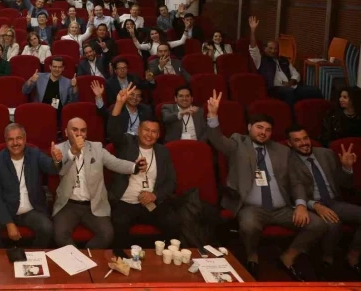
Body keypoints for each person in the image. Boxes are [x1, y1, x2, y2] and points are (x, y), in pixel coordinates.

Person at [205, 90, 326, 281]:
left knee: (318, 224)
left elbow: (296, 181)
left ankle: (288, 256)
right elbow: (217, 140)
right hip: (252, 207)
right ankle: (252, 256)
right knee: (249, 225)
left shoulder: (282, 151)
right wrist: (213, 115)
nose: (263, 132)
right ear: (249, 127)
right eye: (259, 127)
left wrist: (301, 205)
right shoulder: (239, 143)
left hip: (282, 208)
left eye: (268, 129)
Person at [53, 117, 144, 248]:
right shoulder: (58, 149)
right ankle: (76, 257)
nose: (79, 134)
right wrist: (73, 151)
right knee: (60, 235)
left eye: (83, 130)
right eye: (75, 130)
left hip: (93, 204)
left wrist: (135, 167)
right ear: (66, 132)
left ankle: (87, 256)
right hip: (68, 205)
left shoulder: (97, 147)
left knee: (107, 234)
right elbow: (61, 170)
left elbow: (115, 163)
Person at [106, 90, 178, 256]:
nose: (149, 135)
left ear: (158, 135)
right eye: (146, 130)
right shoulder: (127, 143)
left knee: (173, 223)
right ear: (138, 130)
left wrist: (155, 195)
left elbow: (171, 182)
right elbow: (113, 132)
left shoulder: (163, 152)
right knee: (119, 227)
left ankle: (164, 260)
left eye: (154, 132)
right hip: (125, 202)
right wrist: (119, 104)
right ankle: (122, 262)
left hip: (151, 202)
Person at [286, 125, 361, 277]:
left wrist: (347, 168)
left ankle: (353, 254)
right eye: (297, 140)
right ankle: (327, 259)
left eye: (305, 138)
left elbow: (345, 184)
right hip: (310, 204)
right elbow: (291, 192)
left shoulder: (326, 154)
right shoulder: (287, 161)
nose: (304, 143)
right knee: (334, 224)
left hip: (334, 201)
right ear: (290, 143)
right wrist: (315, 205)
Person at [0, 123, 62, 247]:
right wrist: (8, 223)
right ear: (6, 141)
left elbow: (52, 169)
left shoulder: (35, 154)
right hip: (6, 209)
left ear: (24, 139)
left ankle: (34, 256)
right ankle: (0, 256)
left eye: (18, 138)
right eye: (10, 139)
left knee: (47, 228)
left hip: (31, 210)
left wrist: (56, 160)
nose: (15, 143)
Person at [247, 16, 323, 107]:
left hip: (291, 86)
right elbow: (253, 48)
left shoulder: (283, 60)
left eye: (275, 49)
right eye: (270, 48)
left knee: (315, 91)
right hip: (275, 89)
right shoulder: (261, 60)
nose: (273, 51)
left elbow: (296, 74)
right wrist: (253, 31)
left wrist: (291, 82)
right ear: (265, 48)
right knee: (289, 93)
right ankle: (291, 115)